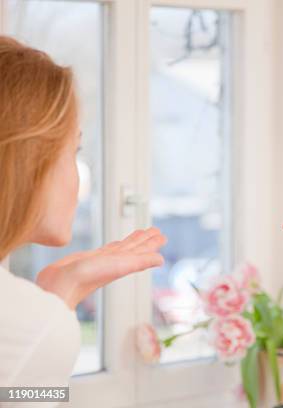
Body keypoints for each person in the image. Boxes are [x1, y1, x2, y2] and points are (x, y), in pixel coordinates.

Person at [0, 35, 166, 396]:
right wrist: (51, 315)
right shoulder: (25, 324)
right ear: (28, 161)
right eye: (72, 150)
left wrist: (60, 298)